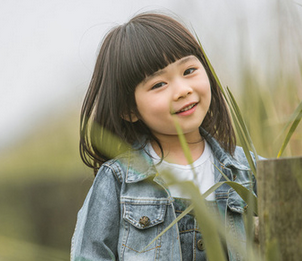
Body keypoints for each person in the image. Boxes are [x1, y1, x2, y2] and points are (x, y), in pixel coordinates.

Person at [71, 11, 258, 261]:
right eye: (159, 84)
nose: (182, 90)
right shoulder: (117, 181)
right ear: (128, 110)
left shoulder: (248, 169)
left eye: (189, 70)